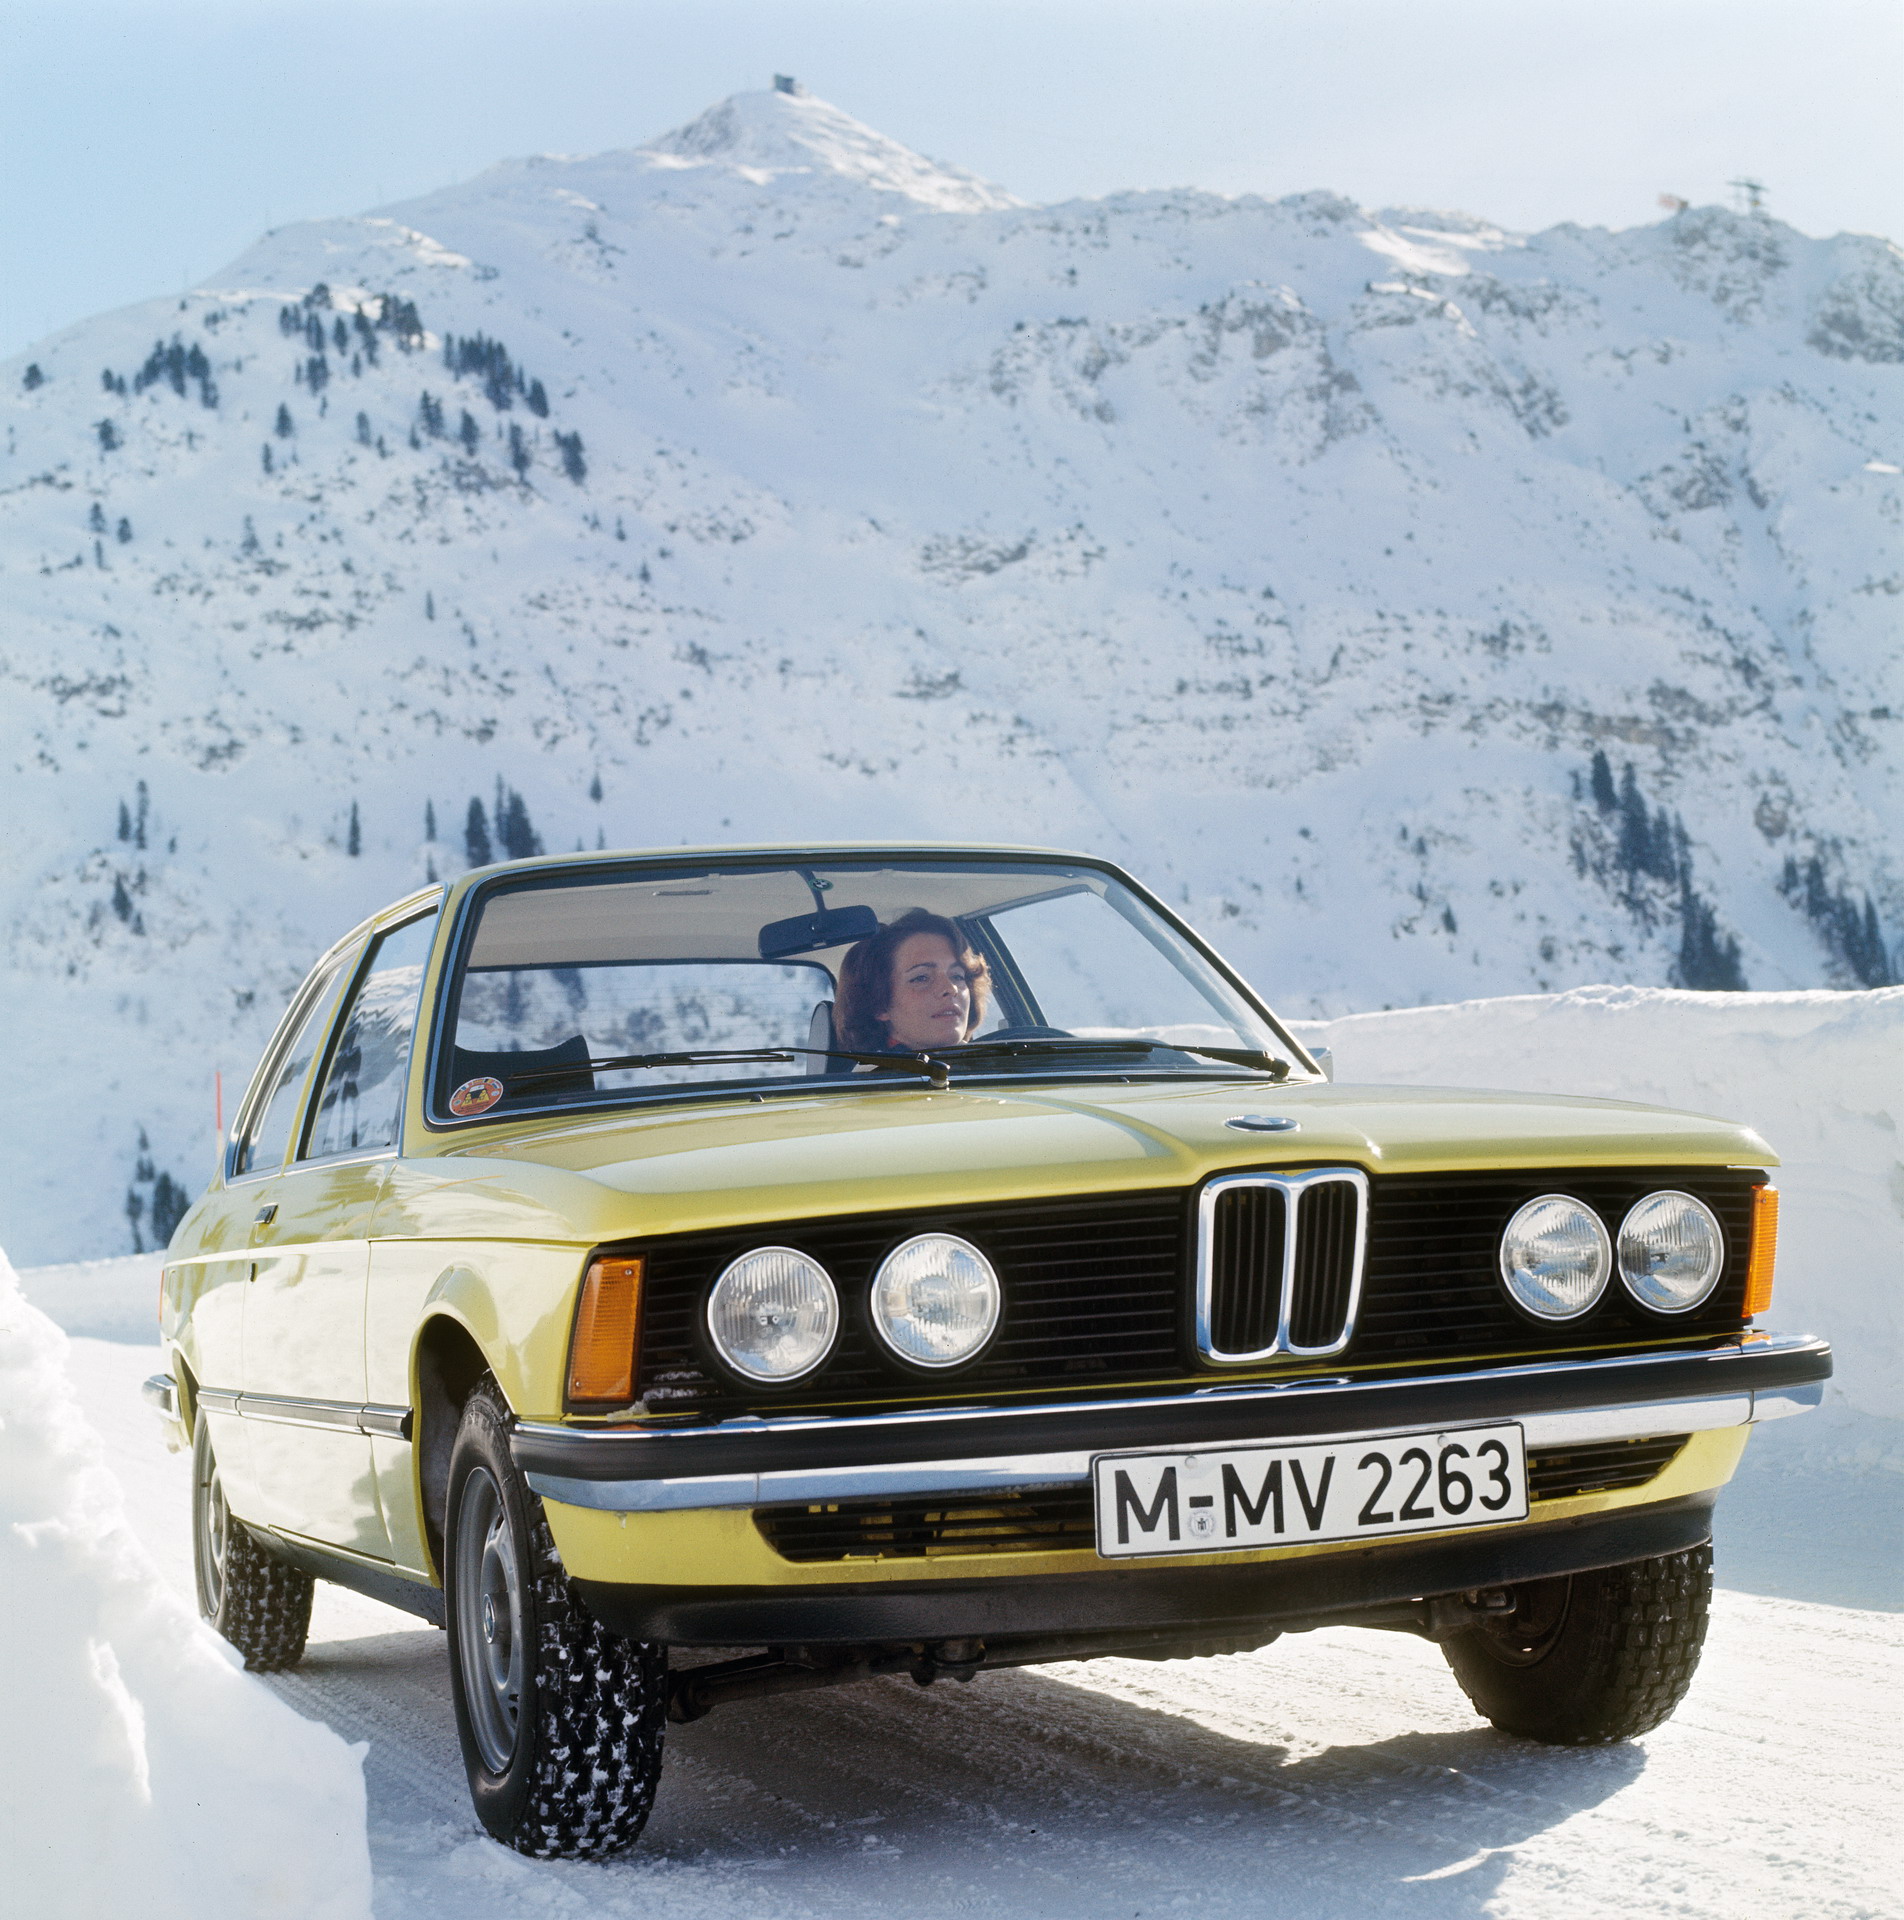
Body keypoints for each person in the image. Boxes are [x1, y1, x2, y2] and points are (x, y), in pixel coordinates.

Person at [835, 908, 991, 1055]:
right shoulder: (876, 1074)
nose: (951, 988)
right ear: (879, 1006)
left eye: (957, 976)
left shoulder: (987, 1064)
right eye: (921, 978)